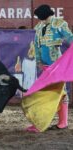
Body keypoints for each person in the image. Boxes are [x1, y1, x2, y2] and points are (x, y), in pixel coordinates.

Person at [25, 4, 73, 132]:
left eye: (41, 17)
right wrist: (39, 61)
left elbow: (71, 39)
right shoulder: (39, 26)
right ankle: (42, 122)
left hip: (56, 65)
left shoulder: (59, 24)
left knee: (60, 93)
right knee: (43, 92)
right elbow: (36, 45)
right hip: (45, 66)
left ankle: (63, 123)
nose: (40, 20)